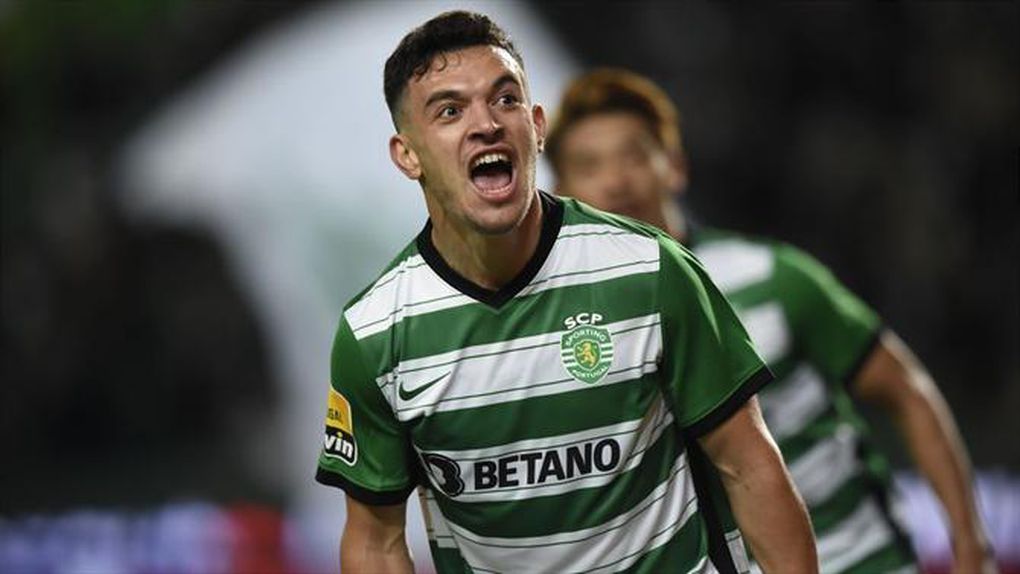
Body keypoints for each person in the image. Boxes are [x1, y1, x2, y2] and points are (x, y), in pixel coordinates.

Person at [314, 10, 817, 574]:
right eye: (450, 111)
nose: (487, 124)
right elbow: (375, 542)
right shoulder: (376, 333)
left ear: (536, 126)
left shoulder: (650, 269)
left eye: (505, 100)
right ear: (407, 154)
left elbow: (748, 466)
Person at [547, 68, 996, 574]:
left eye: (633, 156)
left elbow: (907, 390)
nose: (615, 181)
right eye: (590, 165)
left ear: (674, 166)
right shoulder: (559, 334)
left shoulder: (772, 276)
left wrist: (971, 542)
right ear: (561, 191)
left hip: (861, 558)